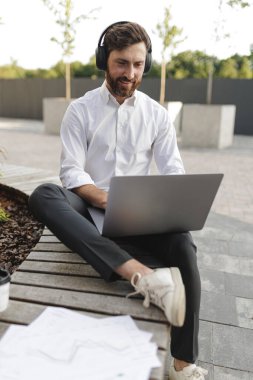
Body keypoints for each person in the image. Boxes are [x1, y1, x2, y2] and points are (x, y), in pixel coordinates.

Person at [28, 21, 208, 380]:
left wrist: (169, 207)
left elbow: (173, 171)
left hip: (140, 215)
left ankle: (183, 362)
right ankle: (140, 276)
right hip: (89, 208)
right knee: (44, 194)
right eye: (122, 63)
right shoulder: (80, 110)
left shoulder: (157, 116)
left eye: (138, 64)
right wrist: (104, 198)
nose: (130, 73)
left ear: (147, 64)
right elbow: (71, 171)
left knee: (183, 245)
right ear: (104, 61)